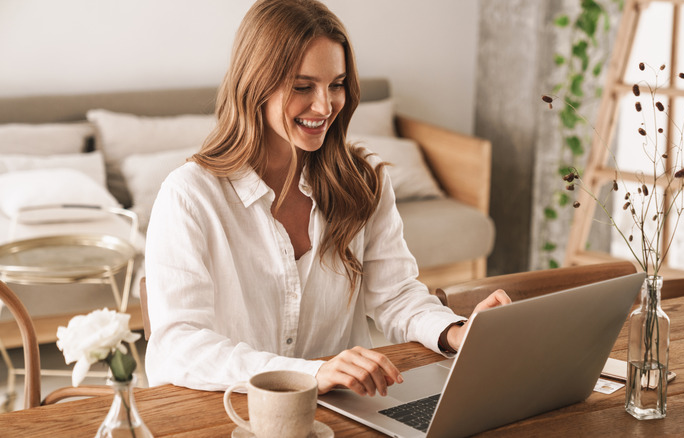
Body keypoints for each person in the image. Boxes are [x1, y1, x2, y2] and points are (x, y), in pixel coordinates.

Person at [144, 0, 509, 397]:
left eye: (336, 84)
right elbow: (178, 346)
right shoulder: (190, 196)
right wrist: (308, 373)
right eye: (303, 87)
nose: (325, 105)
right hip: (234, 413)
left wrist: (456, 332)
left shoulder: (363, 180)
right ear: (255, 84)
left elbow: (394, 295)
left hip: (348, 410)